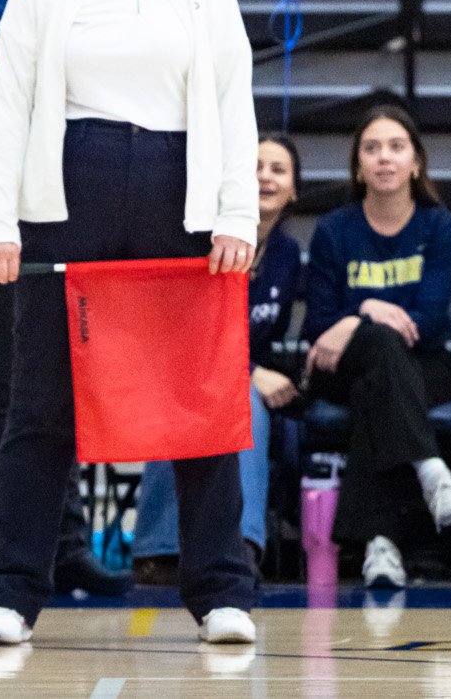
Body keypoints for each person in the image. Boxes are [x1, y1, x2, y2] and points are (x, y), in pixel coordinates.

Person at [0, 0, 261, 651]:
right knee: (39, 400)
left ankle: (220, 591)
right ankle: (12, 593)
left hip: (179, 188)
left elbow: (232, 94)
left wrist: (236, 210)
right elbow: (12, 102)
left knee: (200, 396)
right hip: (70, 190)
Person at [0, 0, 124, 598]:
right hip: (22, 228)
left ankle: (65, 543)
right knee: (13, 388)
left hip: (87, 224)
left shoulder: (97, 25)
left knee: (72, 385)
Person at [300, 100, 451, 589]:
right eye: (372, 148)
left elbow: (431, 324)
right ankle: (433, 475)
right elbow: (318, 326)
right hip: (340, 368)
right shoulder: (334, 229)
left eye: (396, 147)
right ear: (358, 165)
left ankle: (381, 545)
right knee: (379, 349)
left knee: (376, 391)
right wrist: (367, 312)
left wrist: (354, 318)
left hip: (420, 365)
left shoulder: (438, 225)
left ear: (415, 162)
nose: (384, 157)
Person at [131, 133, 306, 577]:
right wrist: (250, 371)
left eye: (278, 170)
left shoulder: (287, 254)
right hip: (181, 363)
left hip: (241, 379)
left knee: (245, 401)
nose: (265, 177)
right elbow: (182, 330)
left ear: (293, 191)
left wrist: (250, 372)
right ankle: (159, 550)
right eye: (256, 167)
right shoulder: (205, 238)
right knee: (221, 398)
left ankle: (241, 547)